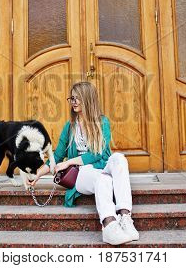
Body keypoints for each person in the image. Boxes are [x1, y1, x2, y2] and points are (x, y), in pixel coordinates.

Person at [29, 81, 139, 245]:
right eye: (71, 98)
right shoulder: (70, 127)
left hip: (102, 167)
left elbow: (99, 153)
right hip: (82, 174)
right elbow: (58, 156)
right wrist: (37, 174)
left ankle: (125, 217)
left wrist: (68, 162)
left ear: (87, 99)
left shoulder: (103, 122)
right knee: (104, 179)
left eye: (77, 98)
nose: (73, 101)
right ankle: (109, 225)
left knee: (119, 159)